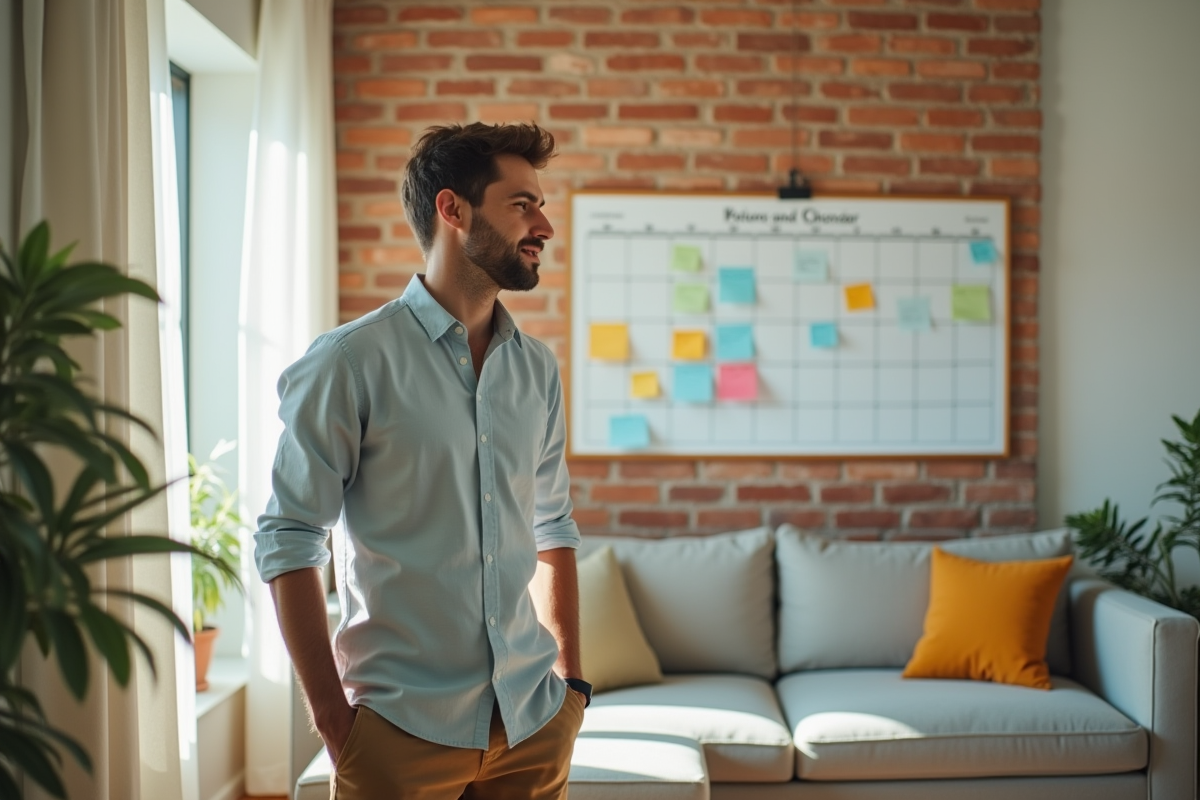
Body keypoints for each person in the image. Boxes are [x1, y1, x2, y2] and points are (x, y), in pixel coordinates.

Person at [254, 122, 589, 800]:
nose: (545, 225)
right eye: (522, 203)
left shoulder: (537, 371)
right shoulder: (349, 363)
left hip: (532, 726)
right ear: (453, 210)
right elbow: (289, 539)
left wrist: (572, 690)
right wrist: (334, 723)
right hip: (399, 733)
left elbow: (554, 527)